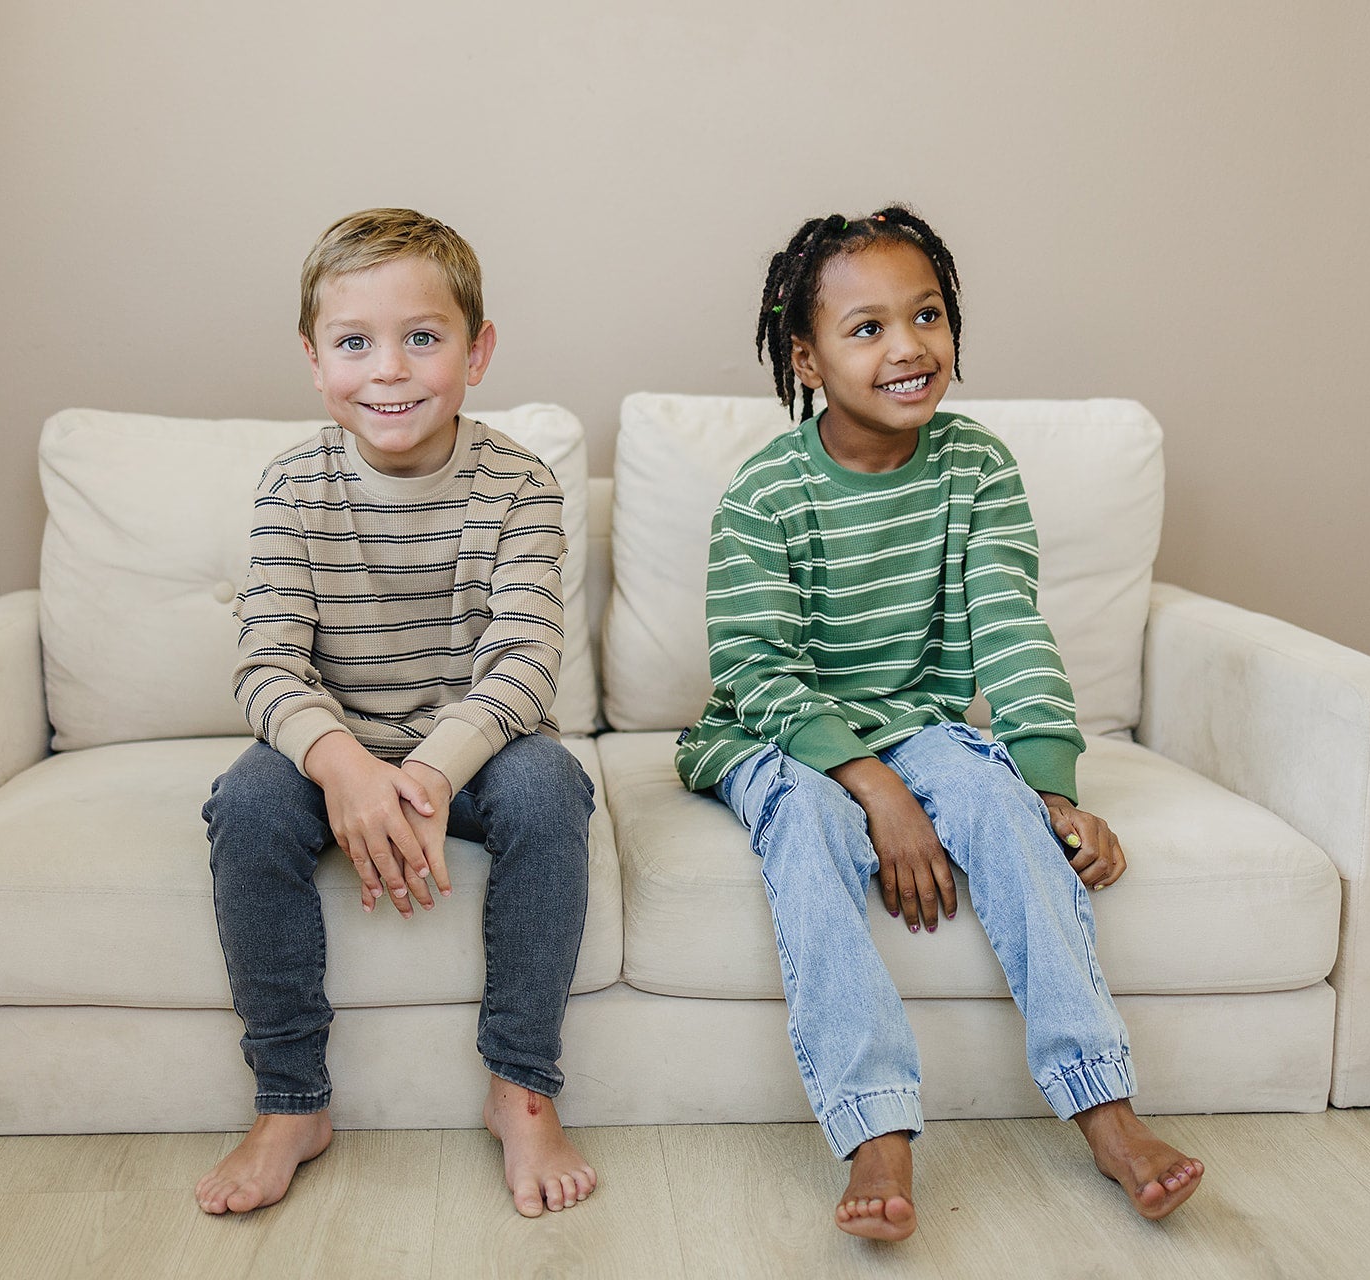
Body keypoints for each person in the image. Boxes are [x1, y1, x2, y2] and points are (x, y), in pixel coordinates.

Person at [675, 207, 1204, 1241]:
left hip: (911, 719)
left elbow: (1009, 627)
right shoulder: (765, 490)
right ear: (806, 359)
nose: (908, 346)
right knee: (809, 825)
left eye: (926, 315)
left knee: (993, 798)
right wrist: (874, 788)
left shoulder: (977, 467)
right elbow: (754, 669)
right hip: (772, 731)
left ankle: (1105, 1107)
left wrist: (1048, 790)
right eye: (866, 327)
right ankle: (875, 1128)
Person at [195, 208, 597, 1219]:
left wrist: (423, 776)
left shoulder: (520, 485)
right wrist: (345, 768)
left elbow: (523, 662)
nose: (389, 370)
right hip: (339, 751)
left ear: (477, 352)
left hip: (477, 754)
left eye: (422, 337)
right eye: (354, 343)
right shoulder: (293, 487)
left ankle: (522, 1087)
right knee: (246, 802)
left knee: (551, 788)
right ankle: (290, 1100)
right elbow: (267, 663)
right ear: (312, 359)